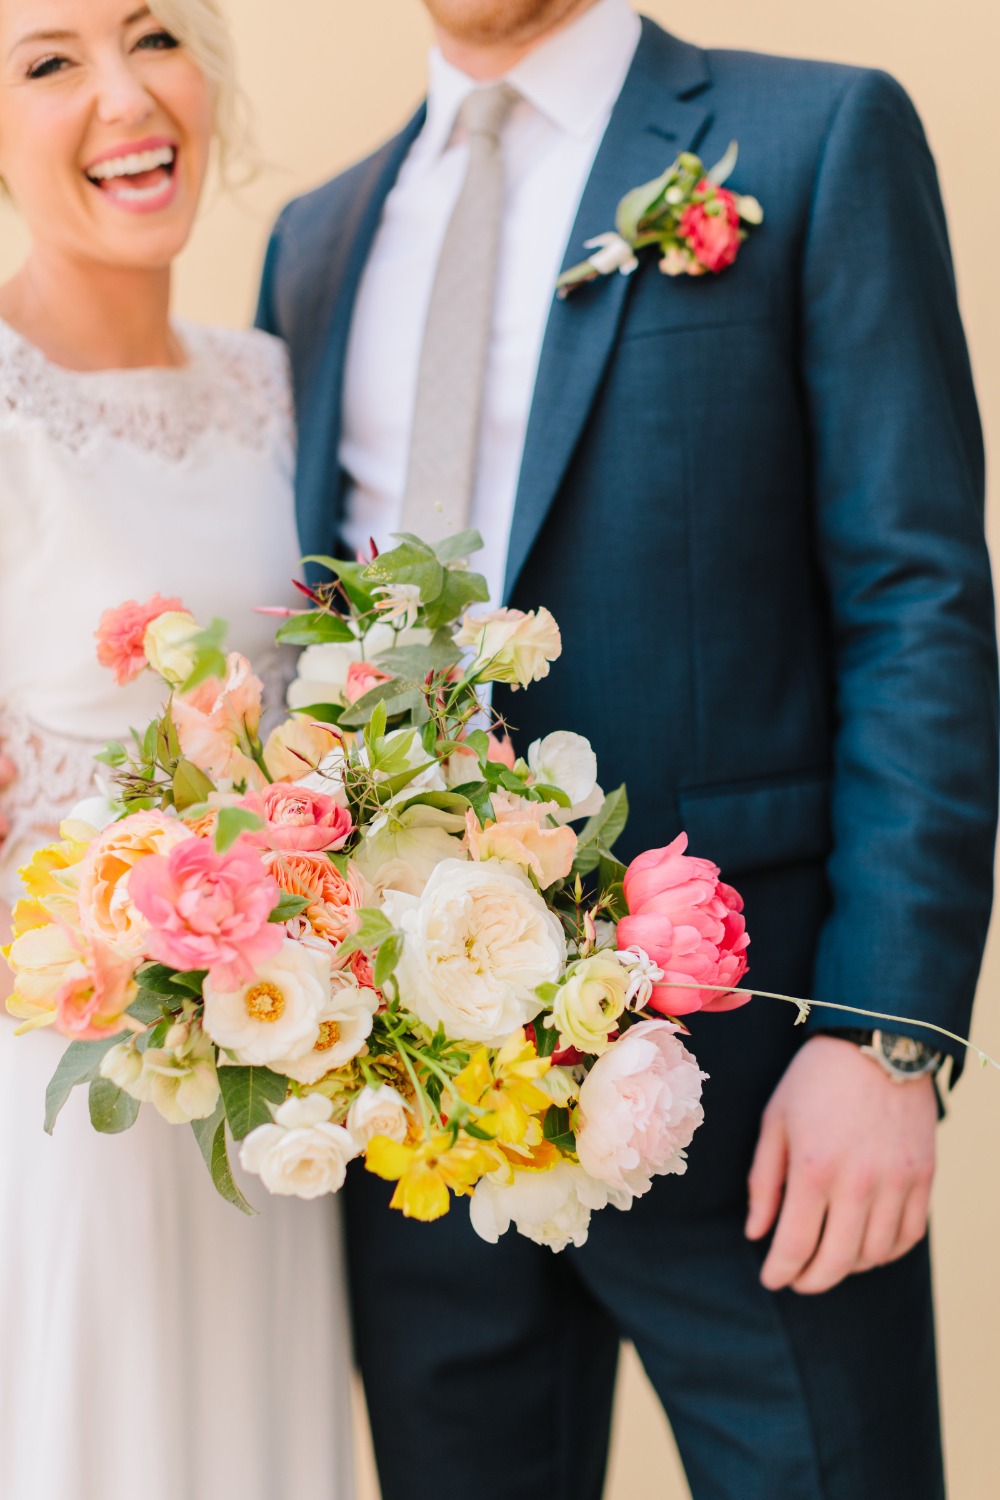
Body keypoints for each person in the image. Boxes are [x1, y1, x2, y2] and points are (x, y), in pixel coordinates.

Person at [256, 0, 998, 1496]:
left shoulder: (818, 135)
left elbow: (915, 601)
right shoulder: (316, 240)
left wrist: (883, 1035)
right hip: (414, 1123)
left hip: (757, 1094)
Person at [0, 4, 354, 1498]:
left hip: (278, 1089)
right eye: (48, 60)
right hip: (72, 1101)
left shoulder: (273, 380)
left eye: (152, 32)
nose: (125, 94)